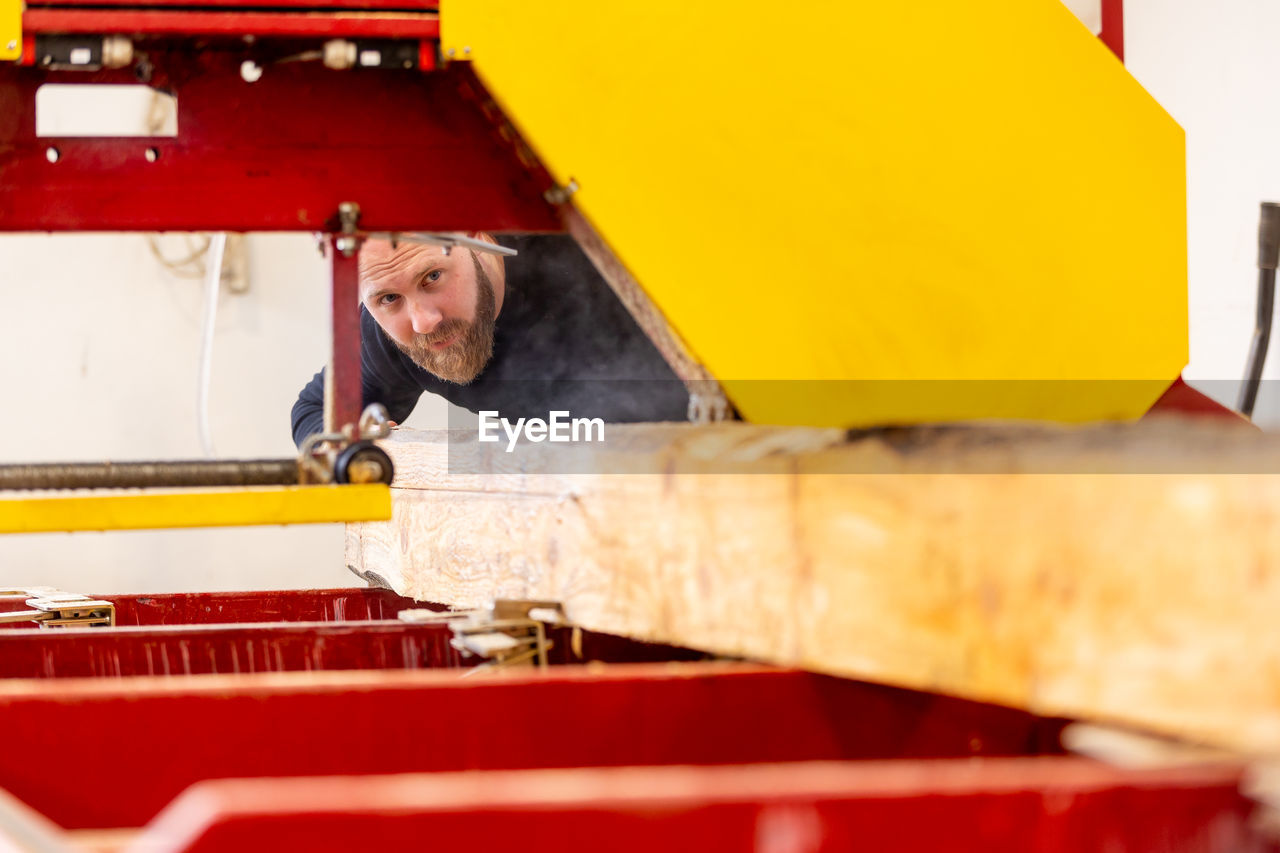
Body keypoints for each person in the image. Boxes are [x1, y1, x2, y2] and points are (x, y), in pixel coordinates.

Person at [291, 233, 690, 447]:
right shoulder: (391, 333)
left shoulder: (594, 258)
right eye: (388, 299)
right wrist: (352, 450)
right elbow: (315, 413)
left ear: (475, 235)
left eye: (432, 277)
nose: (424, 322)